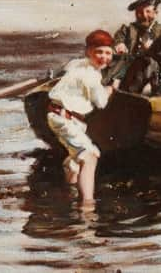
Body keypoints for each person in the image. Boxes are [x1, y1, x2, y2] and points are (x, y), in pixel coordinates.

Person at [47, 30, 119, 208]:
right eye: (98, 52)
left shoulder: (76, 64)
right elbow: (101, 103)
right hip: (64, 118)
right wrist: (111, 89)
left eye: (108, 53)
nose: (103, 57)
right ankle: (88, 205)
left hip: (63, 116)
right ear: (89, 52)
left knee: (75, 161)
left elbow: (65, 70)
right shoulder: (92, 76)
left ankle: (68, 191)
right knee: (90, 156)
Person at [109, 0, 161, 94]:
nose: (144, 15)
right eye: (140, 12)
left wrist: (157, 50)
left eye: (148, 11)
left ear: (155, 13)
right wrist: (120, 45)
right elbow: (118, 40)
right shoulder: (126, 30)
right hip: (129, 74)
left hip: (158, 75)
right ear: (135, 14)